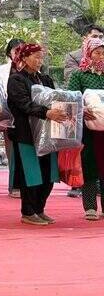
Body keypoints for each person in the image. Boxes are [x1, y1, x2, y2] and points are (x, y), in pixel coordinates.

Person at [7, 43, 68, 225]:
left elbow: (57, 99)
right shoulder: (16, 80)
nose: (39, 60)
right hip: (26, 134)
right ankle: (28, 212)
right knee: (31, 174)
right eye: (35, 56)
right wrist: (46, 112)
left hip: (47, 134)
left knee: (48, 174)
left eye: (41, 57)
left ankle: (40, 209)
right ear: (24, 58)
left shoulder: (46, 79)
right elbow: (23, 104)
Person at [66, 36, 104, 220]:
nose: (101, 57)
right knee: (90, 165)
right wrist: (83, 108)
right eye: (97, 53)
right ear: (88, 53)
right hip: (88, 129)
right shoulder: (79, 75)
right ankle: (90, 207)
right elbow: (72, 98)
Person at [0, 38, 25, 199]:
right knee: (12, 152)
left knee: (23, 151)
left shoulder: (32, 68)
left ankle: (23, 185)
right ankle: (13, 185)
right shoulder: (1, 71)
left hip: (26, 115)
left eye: (22, 50)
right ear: (9, 52)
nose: (19, 54)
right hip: (7, 116)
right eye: (16, 50)